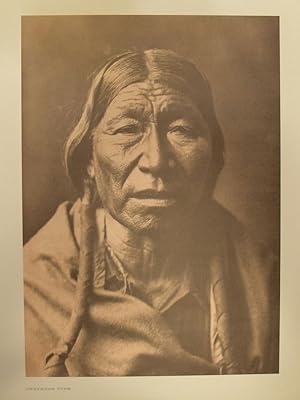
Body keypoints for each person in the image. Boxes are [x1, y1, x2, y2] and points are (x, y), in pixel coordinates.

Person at [23, 48, 279, 376]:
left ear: (213, 158)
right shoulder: (32, 286)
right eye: (128, 130)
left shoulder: (265, 286)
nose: (156, 160)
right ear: (88, 159)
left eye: (182, 130)